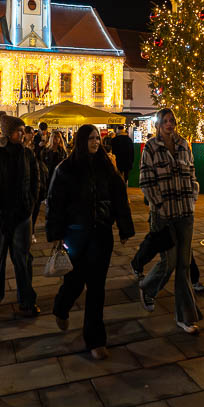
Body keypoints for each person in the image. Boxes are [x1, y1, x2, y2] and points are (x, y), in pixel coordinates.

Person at [46, 124, 135, 359]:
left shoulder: (107, 166)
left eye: (98, 138)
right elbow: (55, 202)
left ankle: (95, 340)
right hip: (75, 234)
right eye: (91, 138)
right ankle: (61, 306)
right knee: (74, 282)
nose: (95, 142)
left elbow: (119, 199)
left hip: (101, 234)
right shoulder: (66, 169)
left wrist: (124, 228)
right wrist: (55, 233)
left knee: (97, 287)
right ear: (81, 141)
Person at [138, 107, 202, 334]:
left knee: (184, 265)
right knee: (170, 261)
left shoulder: (185, 144)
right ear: (157, 124)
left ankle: (185, 317)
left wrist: (193, 196)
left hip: (185, 212)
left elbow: (192, 173)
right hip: (164, 215)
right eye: (165, 120)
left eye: (171, 120)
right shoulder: (151, 148)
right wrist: (159, 205)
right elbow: (145, 180)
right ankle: (148, 287)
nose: (169, 124)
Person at [0, 115, 42, 316]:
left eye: (23, 131)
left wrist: (30, 204)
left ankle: (26, 300)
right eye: (18, 131)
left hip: (22, 215)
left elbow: (36, 182)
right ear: (8, 133)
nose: (22, 135)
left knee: (23, 259)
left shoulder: (27, 155)